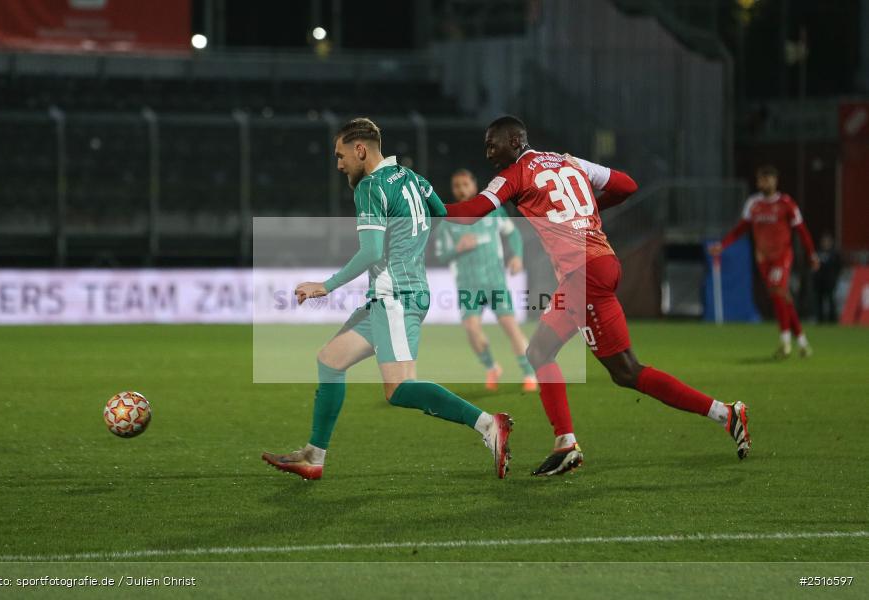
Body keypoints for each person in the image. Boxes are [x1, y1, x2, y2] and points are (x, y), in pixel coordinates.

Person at [445, 115, 751, 476]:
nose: (487, 151)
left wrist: (422, 205)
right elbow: (627, 185)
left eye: (491, 143)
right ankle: (567, 442)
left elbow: (471, 212)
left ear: (515, 141)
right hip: (599, 264)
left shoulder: (514, 173)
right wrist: (583, 209)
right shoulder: (567, 161)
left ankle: (724, 414)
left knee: (626, 371)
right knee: (545, 352)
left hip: (583, 274)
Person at [262, 118, 513, 480]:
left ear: (360, 149)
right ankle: (313, 455)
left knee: (399, 389)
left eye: (341, 155)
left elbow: (370, 251)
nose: (339, 164)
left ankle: (489, 424)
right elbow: (444, 214)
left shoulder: (369, 187)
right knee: (331, 360)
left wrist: (326, 285)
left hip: (396, 295)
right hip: (404, 291)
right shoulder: (414, 179)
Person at [434, 168, 537, 392]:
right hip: (468, 285)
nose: (461, 189)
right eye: (457, 185)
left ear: (474, 185)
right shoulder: (447, 221)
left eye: (465, 184)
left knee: (510, 327)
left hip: (495, 282)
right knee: (471, 329)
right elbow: (441, 254)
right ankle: (491, 367)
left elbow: (513, 234)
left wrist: (517, 256)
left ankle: (529, 372)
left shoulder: (493, 211)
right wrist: (457, 249)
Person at [710, 165, 820, 358]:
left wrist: (811, 254)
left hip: (782, 256)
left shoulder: (786, 203)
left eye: (768, 179)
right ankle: (802, 342)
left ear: (775, 181)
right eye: (762, 179)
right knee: (783, 297)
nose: (765, 182)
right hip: (763, 259)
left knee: (778, 292)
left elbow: (801, 230)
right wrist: (723, 244)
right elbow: (741, 229)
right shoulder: (753, 203)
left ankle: (785, 342)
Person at [814, 232, 842, 323]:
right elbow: (814, 266)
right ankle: (820, 320)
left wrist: (835, 277)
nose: (825, 243)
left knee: (831, 300)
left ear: (831, 242)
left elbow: (839, 266)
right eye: (824, 241)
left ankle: (832, 320)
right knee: (819, 301)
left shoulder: (834, 253)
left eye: (827, 241)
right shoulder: (818, 253)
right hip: (819, 282)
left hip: (830, 281)